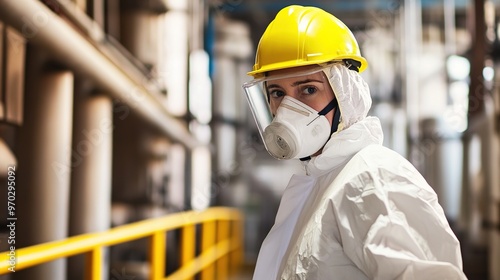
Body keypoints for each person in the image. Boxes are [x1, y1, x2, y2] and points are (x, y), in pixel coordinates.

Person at [242, 5, 467, 280]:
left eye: (308, 89)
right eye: (277, 92)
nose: (289, 109)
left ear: (344, 94)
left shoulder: (373, 179)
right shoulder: (320, 180)